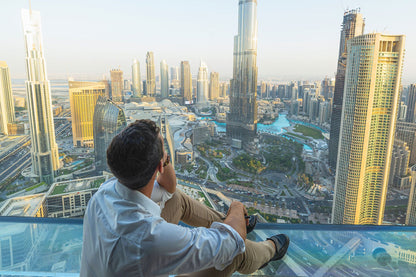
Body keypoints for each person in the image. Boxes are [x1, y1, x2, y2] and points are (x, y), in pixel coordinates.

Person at [80, 119, 289, 277]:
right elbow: (230, 243)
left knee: (175, 200)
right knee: (234, 253)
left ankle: (229, 223)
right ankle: (270, 251)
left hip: (129, 262)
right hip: (140, 255)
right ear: (160, 166)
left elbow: (170, 189)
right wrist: (236, 207)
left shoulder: (103, 194)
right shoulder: (149, 238)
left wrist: (161, 159)